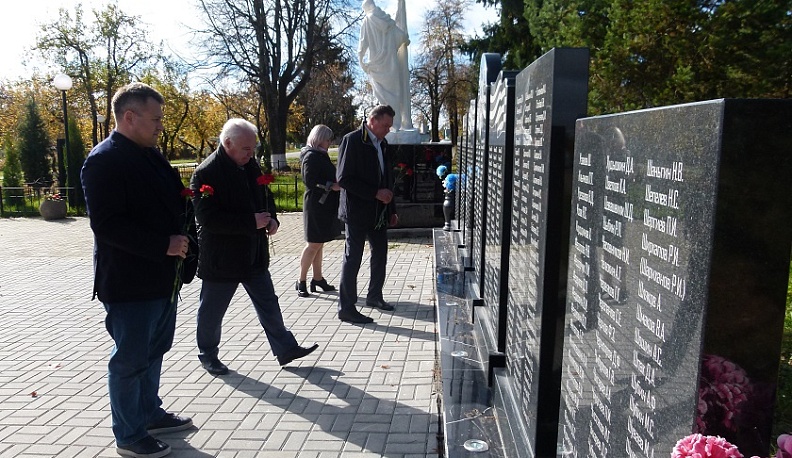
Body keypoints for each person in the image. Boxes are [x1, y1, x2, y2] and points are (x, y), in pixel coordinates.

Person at [81, 82, 194, 458]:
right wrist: (163, 244)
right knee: (130, 360)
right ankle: (129, 435)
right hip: (129, 283)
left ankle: (149, 413)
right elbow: (108, 225)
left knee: (155, 350)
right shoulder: (104, 160)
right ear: (129, 117)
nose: (161, 126)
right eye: (156, 119)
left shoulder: (152, 156)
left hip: (163, 278)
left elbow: (173, 203)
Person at [191, 118, 318, 376]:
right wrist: (250, 222)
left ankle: (285, 349)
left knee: (268, 303)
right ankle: (208, 355)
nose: (251, 154)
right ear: (227, 144)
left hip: (253, 254)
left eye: (254, 149)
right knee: (212, 312)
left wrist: (272, 218)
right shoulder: (205, 174)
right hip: (222, 259)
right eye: (246, 149)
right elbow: (206, 219)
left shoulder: (251, 166)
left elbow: (265, 196)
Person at [336, 105, 399, 324]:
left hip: (379, 212)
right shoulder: (353, 140)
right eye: (385, 126)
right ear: (372, 121)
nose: (387, 130)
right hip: (356, 211)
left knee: (380, 253)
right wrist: (375, 193)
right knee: (353, 257)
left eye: (389, 126)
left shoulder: (383, 144)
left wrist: (392, 209)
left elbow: (387, 178)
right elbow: (343, 178)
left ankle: (374, 296)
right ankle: (346, 307)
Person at [296, 124, 341, 297]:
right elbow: (310, 181)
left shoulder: (319, 155)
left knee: (318, 243)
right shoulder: (311, 156)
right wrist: (331, 186)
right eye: (327, 139)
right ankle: (301, 280)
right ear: (319, 138)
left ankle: (318, 278)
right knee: (313, 244)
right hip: (315, 204)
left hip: (323, 204)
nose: (329, 142)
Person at [359, 0, 413, 131]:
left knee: (383, 96)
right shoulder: (388, 21)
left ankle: (388, 125)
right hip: (392, 65)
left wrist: (361, 61)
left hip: (376, 65)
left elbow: (362, 44)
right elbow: (403, 37)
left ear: (366, 8)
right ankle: (395, 124)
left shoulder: (367, 21)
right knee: (394, 94)